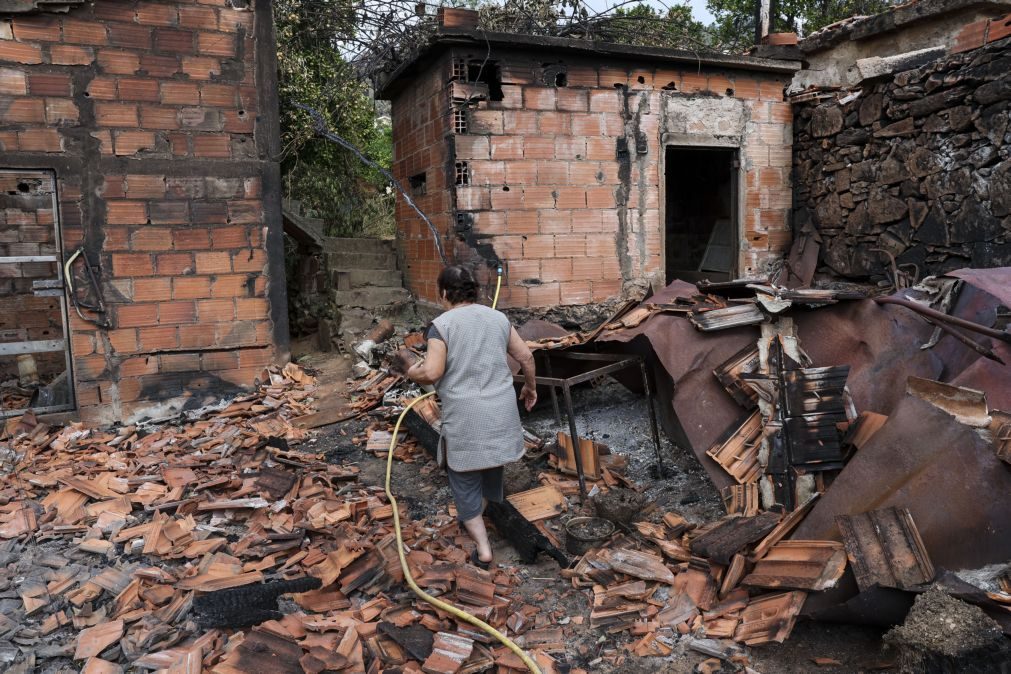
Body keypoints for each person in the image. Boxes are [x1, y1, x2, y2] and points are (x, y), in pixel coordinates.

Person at [404, 265, 537, 569]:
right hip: (501, 414)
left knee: (463, 478)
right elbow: (527, 357)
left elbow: (433, 372)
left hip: (466, 417)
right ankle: (479, 512)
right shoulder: (499, 318)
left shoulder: (440, 325)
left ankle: (483, 547)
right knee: (491, 466)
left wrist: (410, 369)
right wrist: (530, 388)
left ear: (443, 294)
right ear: (475, 292)